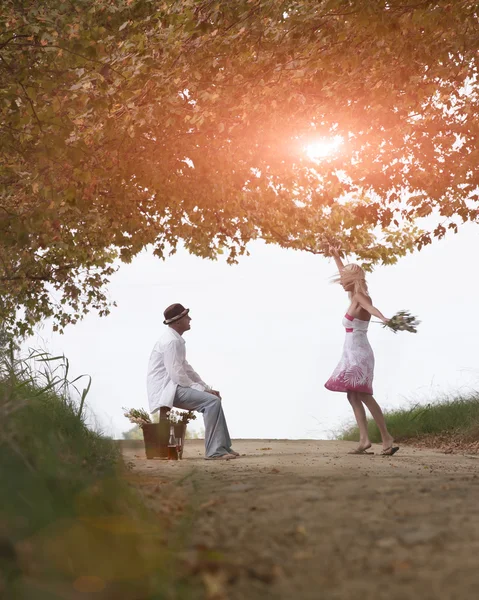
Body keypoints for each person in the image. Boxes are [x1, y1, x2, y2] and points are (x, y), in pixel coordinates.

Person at [325, 251, 399, 456]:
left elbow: (371, 308)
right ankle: (365, 440)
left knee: (364, 395)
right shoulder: (353, 295)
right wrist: (335, 255)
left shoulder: (360, 297)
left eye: (344, 280)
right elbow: (344, 274)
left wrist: (384, 318)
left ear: (352, 280)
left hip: (359, 354)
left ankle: (386, 438)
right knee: (353, 395)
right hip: (351, 353)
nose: (340, 283)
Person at [147, 303, 239, 460]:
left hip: (174, 386)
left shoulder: (175, 340)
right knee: (211, 402)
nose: (190, 319)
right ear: (178, 322)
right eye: (186, 317)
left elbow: (186, 369)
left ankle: (222, 446)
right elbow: (177, 375)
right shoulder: (171, 342)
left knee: (213, 399)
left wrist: (205, 387)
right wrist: (202, 391)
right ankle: (214, 452)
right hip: (168, 390)